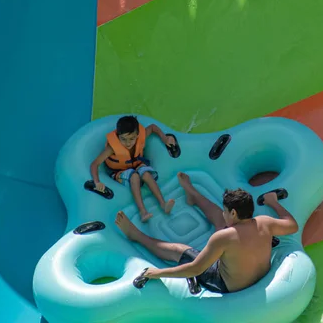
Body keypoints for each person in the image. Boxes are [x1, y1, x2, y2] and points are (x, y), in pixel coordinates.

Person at [114, 172, 299, 293]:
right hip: (257, 272)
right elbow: (292, 225)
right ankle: (193, 195)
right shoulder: (264, 223)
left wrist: (157, 273)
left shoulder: (223, 237)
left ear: (233, 212)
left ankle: (136, 235)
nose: (224, 212)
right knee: (221, 222)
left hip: (226, 284)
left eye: (226, 210)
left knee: (181, 250)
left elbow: (195, 268)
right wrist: (273, 202)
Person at [90, 115, 176, 222]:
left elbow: (153, 127)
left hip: (136, 164)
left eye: (132, 139)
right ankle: (143, 212)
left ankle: (163, 204)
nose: (128, 143)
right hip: (119, 171)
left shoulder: (141, 136)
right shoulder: (112, 148)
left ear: (137, 135)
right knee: (134, 176)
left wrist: (164, 138)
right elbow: (95, 164)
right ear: (118, 136)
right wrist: (97, 182)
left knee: (146, 174)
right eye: (123, 139)